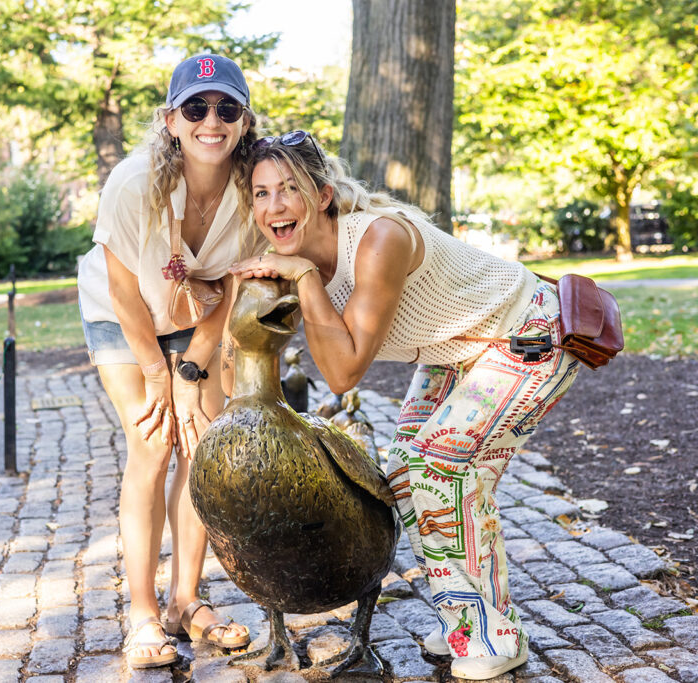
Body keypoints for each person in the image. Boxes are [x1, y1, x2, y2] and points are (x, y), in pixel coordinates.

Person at [228, 132, 580, 681]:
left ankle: (490, 634)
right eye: (261, 193)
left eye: (288, 189)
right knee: (403, 472)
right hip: (458, 350)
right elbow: (330, 358)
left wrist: (303, 280)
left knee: (439, 469)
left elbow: (344, 372)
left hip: (529, 334)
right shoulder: (301, 261)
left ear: (321, 195)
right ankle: (469, 619)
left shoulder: (377, 240)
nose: (274, 206)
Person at [76, 53, 259, 669]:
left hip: (195, 317)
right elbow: (124, 290)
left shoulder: (252, 184)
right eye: (197, 107)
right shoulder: (132, 183)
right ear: (171, 119)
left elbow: (232, 286)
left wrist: (193, 367)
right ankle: (143, 615)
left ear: (243, 119)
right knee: (152, 445)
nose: (212, 120)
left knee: (202, 444)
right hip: (121, 314)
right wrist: (161, 375)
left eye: (226, 107)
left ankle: (186, 601)